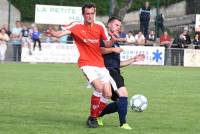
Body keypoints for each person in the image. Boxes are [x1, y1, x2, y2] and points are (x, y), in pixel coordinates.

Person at [49, 3, 116, 128]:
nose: (90, 16)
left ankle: (95, 116)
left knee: (108, 94)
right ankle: (92, 118)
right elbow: (60, 34)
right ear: (83, 15)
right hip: (86, 63)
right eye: (87, 14)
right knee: (99, 87)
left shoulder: (100, 26)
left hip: (100, 64)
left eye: (92, 13)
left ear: (94, 14)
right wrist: (54, 33)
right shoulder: (77, 26)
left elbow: (107, 44)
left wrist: (113, 40)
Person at [99, 16, 145, 130]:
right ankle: (123, 123)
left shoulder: (116, 43)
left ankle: (97, 115)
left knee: (121, 102)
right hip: (108, 71)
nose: (119, 28)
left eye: (120, 26)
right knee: (123, 95)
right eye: (116, 25)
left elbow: (118, 64)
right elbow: (100, 50)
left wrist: (133, 59)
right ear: (109, 25)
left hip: (115, 71)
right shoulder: (104, 38)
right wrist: (113, 49)